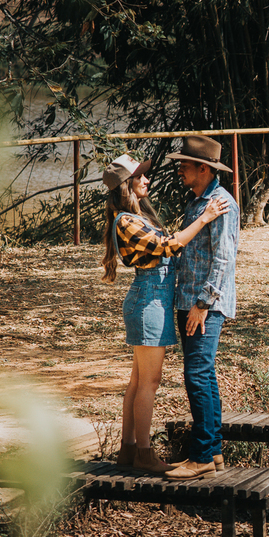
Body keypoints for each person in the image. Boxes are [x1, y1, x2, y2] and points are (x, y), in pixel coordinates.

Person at [100, 153, 228, 474]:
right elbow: (169, 246)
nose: (146, 180)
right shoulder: (127, 221)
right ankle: (144, 453)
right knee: (149, 383)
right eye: (139, 177)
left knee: (137, 381)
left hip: (150, 301)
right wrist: (205, 217)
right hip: (149, 303)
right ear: (124, 186)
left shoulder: (135, 216)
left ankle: (128, 450)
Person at [164, 136, 239, 481]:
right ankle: (215, 451)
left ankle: (202, 456)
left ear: (203, 169)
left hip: (202, 304)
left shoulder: (220, 203)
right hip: (190, 299)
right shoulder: (198, 203)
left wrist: (202, 304)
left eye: (185, 165)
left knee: (196, 374)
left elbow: (224, 259)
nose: (180, 170)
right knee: (203, 375)